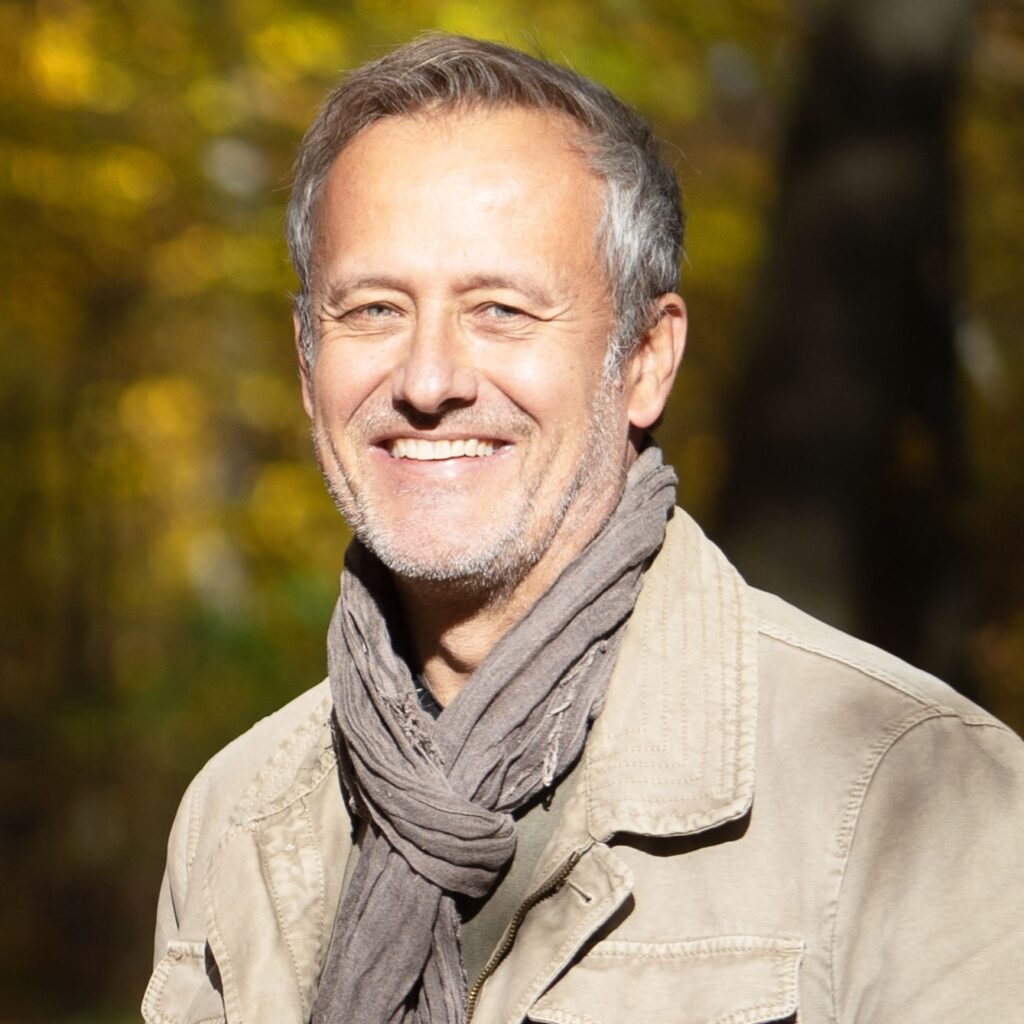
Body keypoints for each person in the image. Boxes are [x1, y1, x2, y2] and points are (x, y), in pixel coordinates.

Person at [143, 33, 1024, 1024]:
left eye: (502, 310)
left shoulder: (912, 793)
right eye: (375, 310)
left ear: (645, 360)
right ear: (308, 367)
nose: (427, 379)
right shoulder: (235, 817)